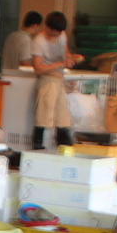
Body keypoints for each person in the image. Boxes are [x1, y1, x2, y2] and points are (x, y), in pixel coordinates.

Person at [26, 11, 81, 150]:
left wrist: (70, 58)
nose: (58, 33)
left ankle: (64, 147)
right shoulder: (38, 41)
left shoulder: (62, 35)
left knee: (63, 118)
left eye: (60, 31)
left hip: (59, 80)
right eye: (55, 31)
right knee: (43, 117)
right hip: (47, 80)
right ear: (48, 27)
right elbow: (38, 68)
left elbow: (65, 53)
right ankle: (38, 146)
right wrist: (61, 64)